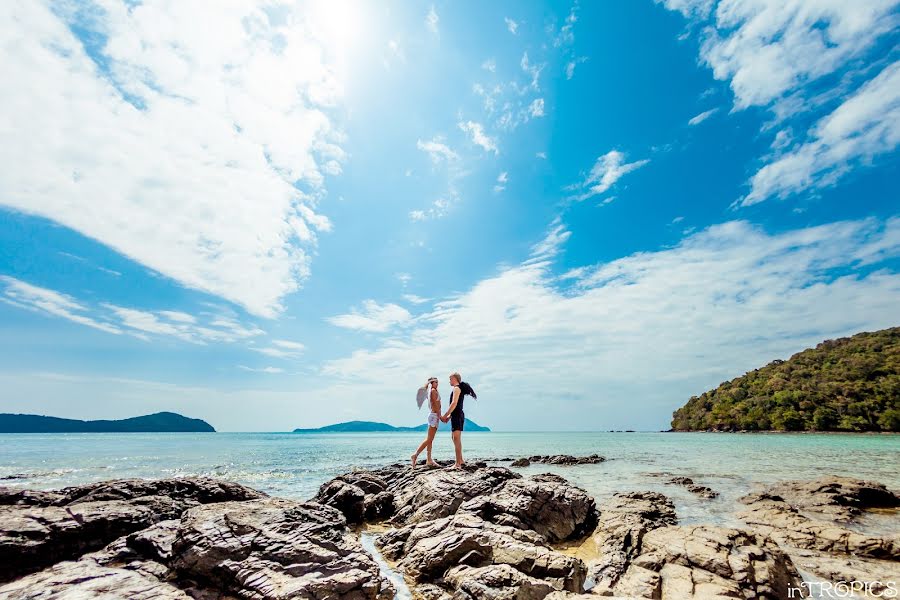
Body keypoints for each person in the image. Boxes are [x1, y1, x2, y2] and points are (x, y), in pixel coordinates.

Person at [441, 371, 476, 469]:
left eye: (450, 379)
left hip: (457, 415)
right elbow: (457, 406)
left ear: (454, 379)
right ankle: (460, 460)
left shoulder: (456, 388)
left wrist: (445, 415)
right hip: (456, 415)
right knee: (454, 438)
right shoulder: (457, 388)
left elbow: (454, 404)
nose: (449, 381)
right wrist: (449, 417)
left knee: (456, 438)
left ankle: (457, 464)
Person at [411, 377, 441, 468]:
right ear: (433, 383)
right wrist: (440, 416)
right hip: (434, 416)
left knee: (430, 439)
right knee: (429, 439)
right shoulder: (433, 391)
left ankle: (429, 459)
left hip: (432, 416)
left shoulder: (430, 391)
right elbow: (436, 406)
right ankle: (415, 455)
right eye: (436, 382)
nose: (437, 384)